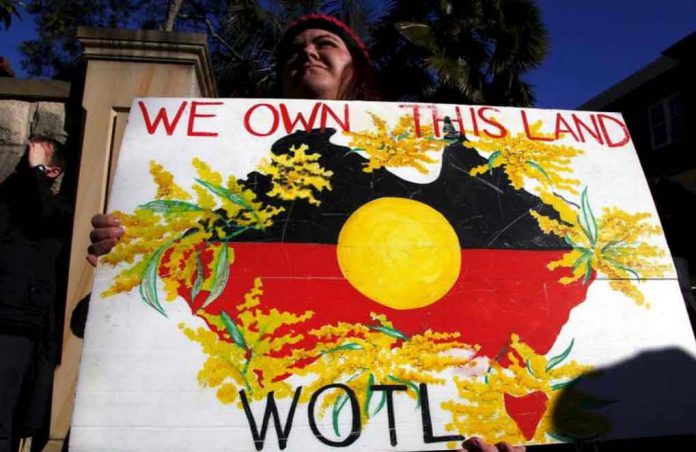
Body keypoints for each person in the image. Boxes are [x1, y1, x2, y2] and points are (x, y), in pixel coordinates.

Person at [86, 14, 524, 452]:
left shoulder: (418, 152)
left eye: (325, 43)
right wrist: (128, 257)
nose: (308, 52)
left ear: (356, 65)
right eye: (294, 52)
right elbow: (156, 302)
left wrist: (502, 425)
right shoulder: (244, 164)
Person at [0, 140, 71, 452]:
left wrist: (37, 171)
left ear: (53, 171)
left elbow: (39, 213)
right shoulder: (8, 198)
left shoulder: (59, 211)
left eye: (39, 155)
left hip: (17, 322)